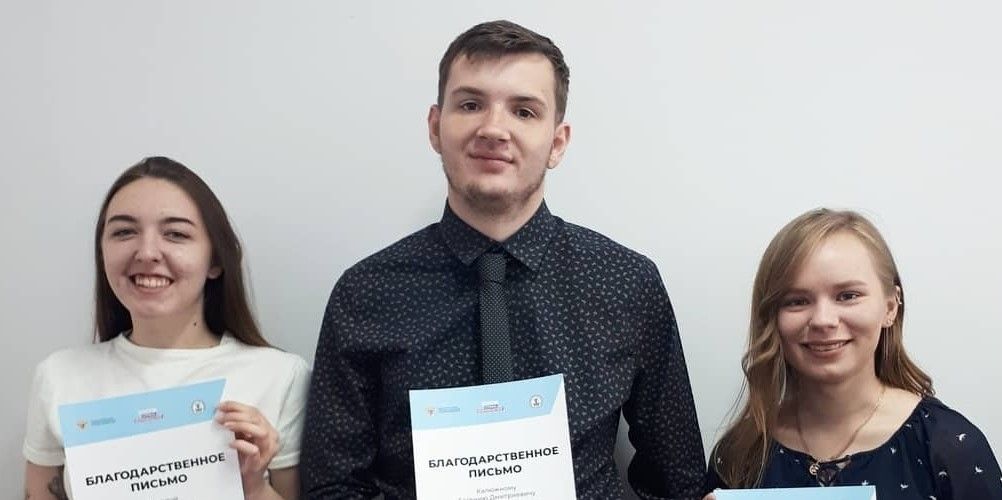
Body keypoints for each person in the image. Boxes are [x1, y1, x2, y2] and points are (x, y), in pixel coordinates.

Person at [301, 20, 707, 500]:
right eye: (470, 104)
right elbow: (332, 487)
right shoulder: (366, 293)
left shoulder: (626, 283)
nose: (494, 129)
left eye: (524, 111)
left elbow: (677, 483)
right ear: (435, 127)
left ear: (557, 142)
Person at [23, 157, 309, 500]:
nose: (147, 253)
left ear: (216, 260)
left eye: (176, 234)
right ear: (102, 253)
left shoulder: (281, 376)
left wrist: (254, 486)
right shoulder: (59, 375)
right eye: (124, 232)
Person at [705, 209, 1002, 499]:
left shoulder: (950, 448)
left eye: (847, 296)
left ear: (890, 307)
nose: (823, 320)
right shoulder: (738, 455)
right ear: (772, 316)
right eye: (797, 301)